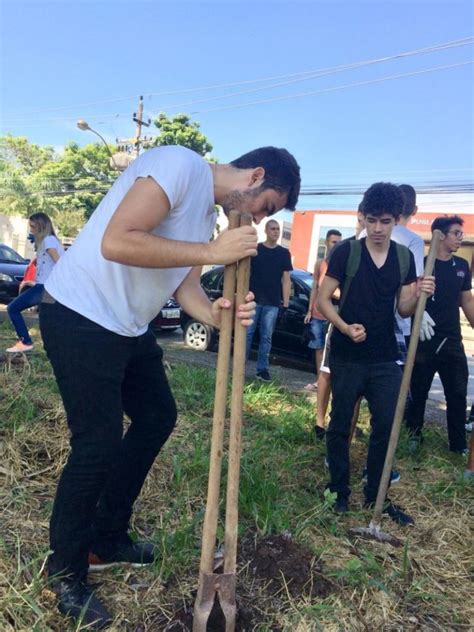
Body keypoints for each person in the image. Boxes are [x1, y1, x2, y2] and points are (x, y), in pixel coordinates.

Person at [39, 144, 300, 629]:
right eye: (266, 206)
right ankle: (66, 571)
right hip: (79, 314)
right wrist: (212, 252)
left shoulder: (204, 218)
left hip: (126, 327)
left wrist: (217, 315)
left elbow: (185, 290)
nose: (260, 219)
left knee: (158, 415)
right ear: (256, 176)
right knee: (96, 444)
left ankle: (107, 537)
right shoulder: (180, 166)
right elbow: (116, 241)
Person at [317, 182, 434, 525]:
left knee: (387, 422)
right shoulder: (346, 252)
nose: (378, 229)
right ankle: (338, 490)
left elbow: (403, 309)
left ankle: (375, 495)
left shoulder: (402, 257)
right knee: (340, 424)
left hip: (384, 355)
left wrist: (421, 293)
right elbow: (323, 299)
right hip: (347, 354)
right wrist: (344, 326)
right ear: (363, 217)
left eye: (385, 221)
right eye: (372, 221)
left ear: (396, 220)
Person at [406, 215, 474, 454]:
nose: (460, 238)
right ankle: (413, 435)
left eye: (461, 234)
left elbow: (466, 299)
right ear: (440, 236)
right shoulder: (421, 265)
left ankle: (457, 444)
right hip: (423, 340)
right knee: (418, 391)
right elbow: (407, 300)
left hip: (452, 341)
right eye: (456, 233)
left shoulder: (462, 267)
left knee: (456, 394)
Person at [6, 212, 63, 353]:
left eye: (33, 226)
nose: (31, 230)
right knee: (46, 318)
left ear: (41, 226)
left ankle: (25, 341)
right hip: (51, 287)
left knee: (12, 308)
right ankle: (55, 348)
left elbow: (60, 263)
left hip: (44, 287)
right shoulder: (51, 240)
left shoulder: (48, 241)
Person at [246, 218, 293, 382]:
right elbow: (246, 273)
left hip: (272, 303)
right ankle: (240, 365)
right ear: (266, 230)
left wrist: (285, 304)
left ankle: (262, 370)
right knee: (247, 335)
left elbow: (286, 280)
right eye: (272, 228)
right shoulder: (256, 250)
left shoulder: (283, 253)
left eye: (277, 229)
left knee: (266, 337)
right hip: (253, 300)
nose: (276, 231)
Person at [303, 229, 342, 392]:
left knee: (331, 350)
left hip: (334, 313)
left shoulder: (341, 262)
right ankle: (320, 381)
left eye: (339, 242)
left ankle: (330, 383)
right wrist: (309, 310)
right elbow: (314, 288)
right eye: (334, 241)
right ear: (326, 242)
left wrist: (331, 292)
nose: (337, 245)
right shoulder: (320, 264)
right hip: (318, 313)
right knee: (318, 348)